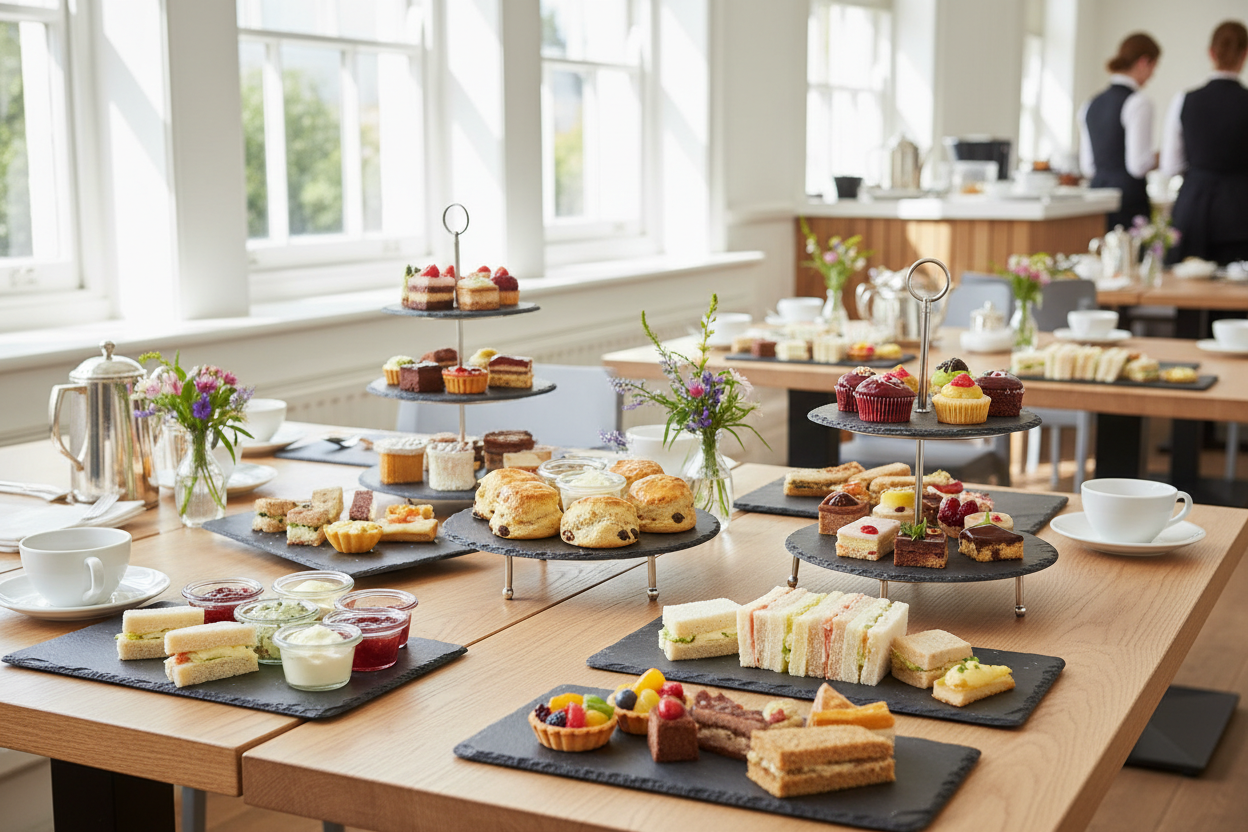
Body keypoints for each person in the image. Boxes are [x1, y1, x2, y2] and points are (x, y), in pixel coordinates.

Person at [1160, 21, 1248, 264]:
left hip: (1193, 209)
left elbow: (1170, 166)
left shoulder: (1184, 100)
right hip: (1241, 214)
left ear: (1211, 53)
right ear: (1245, 53)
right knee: (1237, 295)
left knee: (1189, 291)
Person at [1079, 33, 1161, 231]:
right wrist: (1161, 157)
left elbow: (1088, 167)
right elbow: (1138, 165)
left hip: (1096, 199)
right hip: (1128, 202)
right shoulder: (1139, 102)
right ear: (1144, 62)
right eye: (1153, 67)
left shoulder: (1089, 104)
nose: (1152, 75)